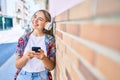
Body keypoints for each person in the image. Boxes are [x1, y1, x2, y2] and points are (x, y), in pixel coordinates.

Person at [15, 10, 56, 80]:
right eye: (35, 17)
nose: (35, 20)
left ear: (47, 24)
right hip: (23, 76)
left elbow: (51, 67)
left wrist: (43, 58)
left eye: (40, 19)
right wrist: (26, 57)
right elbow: (17, 65)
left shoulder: (50, 40)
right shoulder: (23, 39)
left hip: (42, 77)